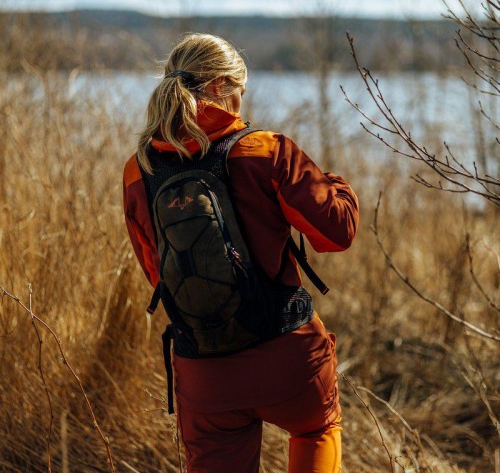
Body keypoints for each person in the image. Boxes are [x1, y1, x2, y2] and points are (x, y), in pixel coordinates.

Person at [123, 33, 359, 472]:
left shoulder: (139, 170)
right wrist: (335, 184)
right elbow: (337, 233)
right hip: (289, 357)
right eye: (239, 91)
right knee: (316, 429)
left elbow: (157, 274)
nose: (241, 102)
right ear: (217, 87)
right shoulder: (265, 149)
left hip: (204, 373)